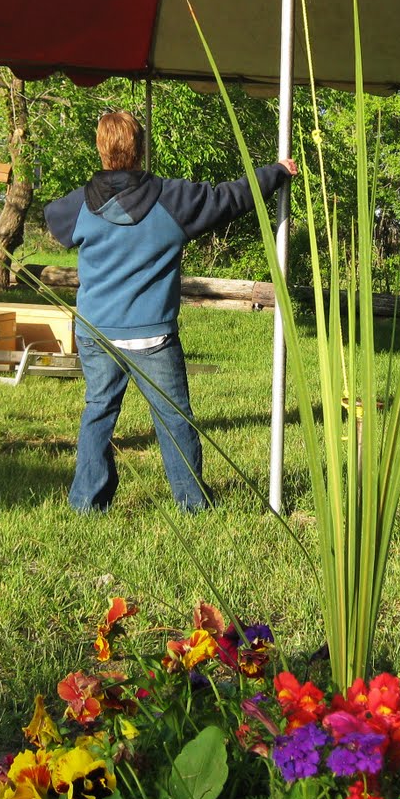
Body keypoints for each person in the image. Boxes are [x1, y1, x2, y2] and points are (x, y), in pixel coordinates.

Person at [44, 110, 295, 512]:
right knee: (174, 418)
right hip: (151, 335)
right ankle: (191, 503)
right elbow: (232, 197)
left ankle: (86, 503)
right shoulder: (172, 198)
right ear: (141, 149)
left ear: (100, 149)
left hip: (96, 332)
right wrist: (276, 172)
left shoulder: (78, 205)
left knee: (98, 411)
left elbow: (52, 219)